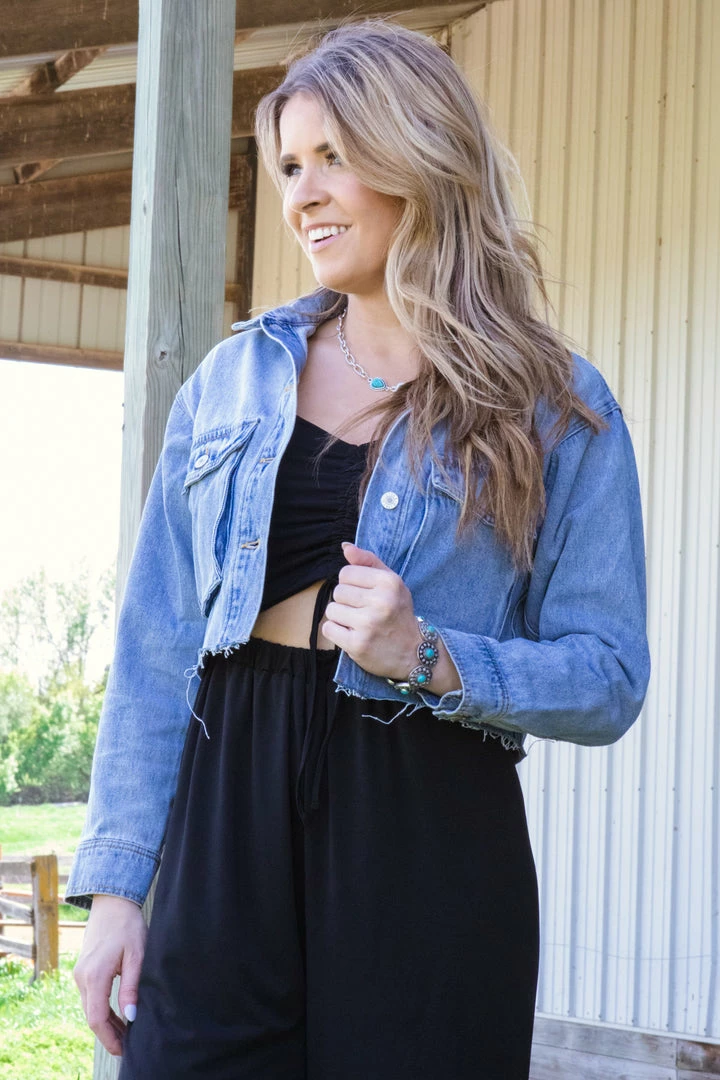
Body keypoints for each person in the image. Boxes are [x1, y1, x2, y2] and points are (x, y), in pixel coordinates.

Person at [67, 19, 650, 1080]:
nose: (304, 195)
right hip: (225, 800)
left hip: (425, 822)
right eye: (291, 166)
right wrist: (117, 891)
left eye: (335, 155)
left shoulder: (558, 408)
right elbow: (155, 646)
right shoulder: (231, 382)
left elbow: (608, 676)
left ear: (419, 154)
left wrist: (432, 655)